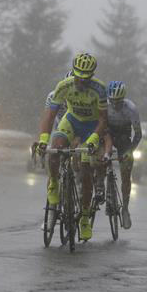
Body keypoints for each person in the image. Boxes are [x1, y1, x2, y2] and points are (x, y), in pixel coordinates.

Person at [37, 53, 107, 241]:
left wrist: (93, 139)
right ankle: (53, 184)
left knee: (85, 172)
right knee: (55, 149)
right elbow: (49, 116)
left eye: (86, 78)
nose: (81, 82)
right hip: (71, 121)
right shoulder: (63, 86)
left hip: (91, 127)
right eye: (78, 77)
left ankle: (84, 217)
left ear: (91, 75)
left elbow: (103, 119)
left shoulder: (100, 90)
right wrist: (43, 139)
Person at [100, 81, 142, 229]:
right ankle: (99, 184)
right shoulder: (104, 104)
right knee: (99, 157)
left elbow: (138, 135)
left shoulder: (131, 109)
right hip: (108, 134)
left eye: (118, 102)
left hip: (124, 138)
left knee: (126, 172)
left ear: (123, 99)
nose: (115, 104)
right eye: (112, 101)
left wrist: (130, 152)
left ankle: (125, 208)